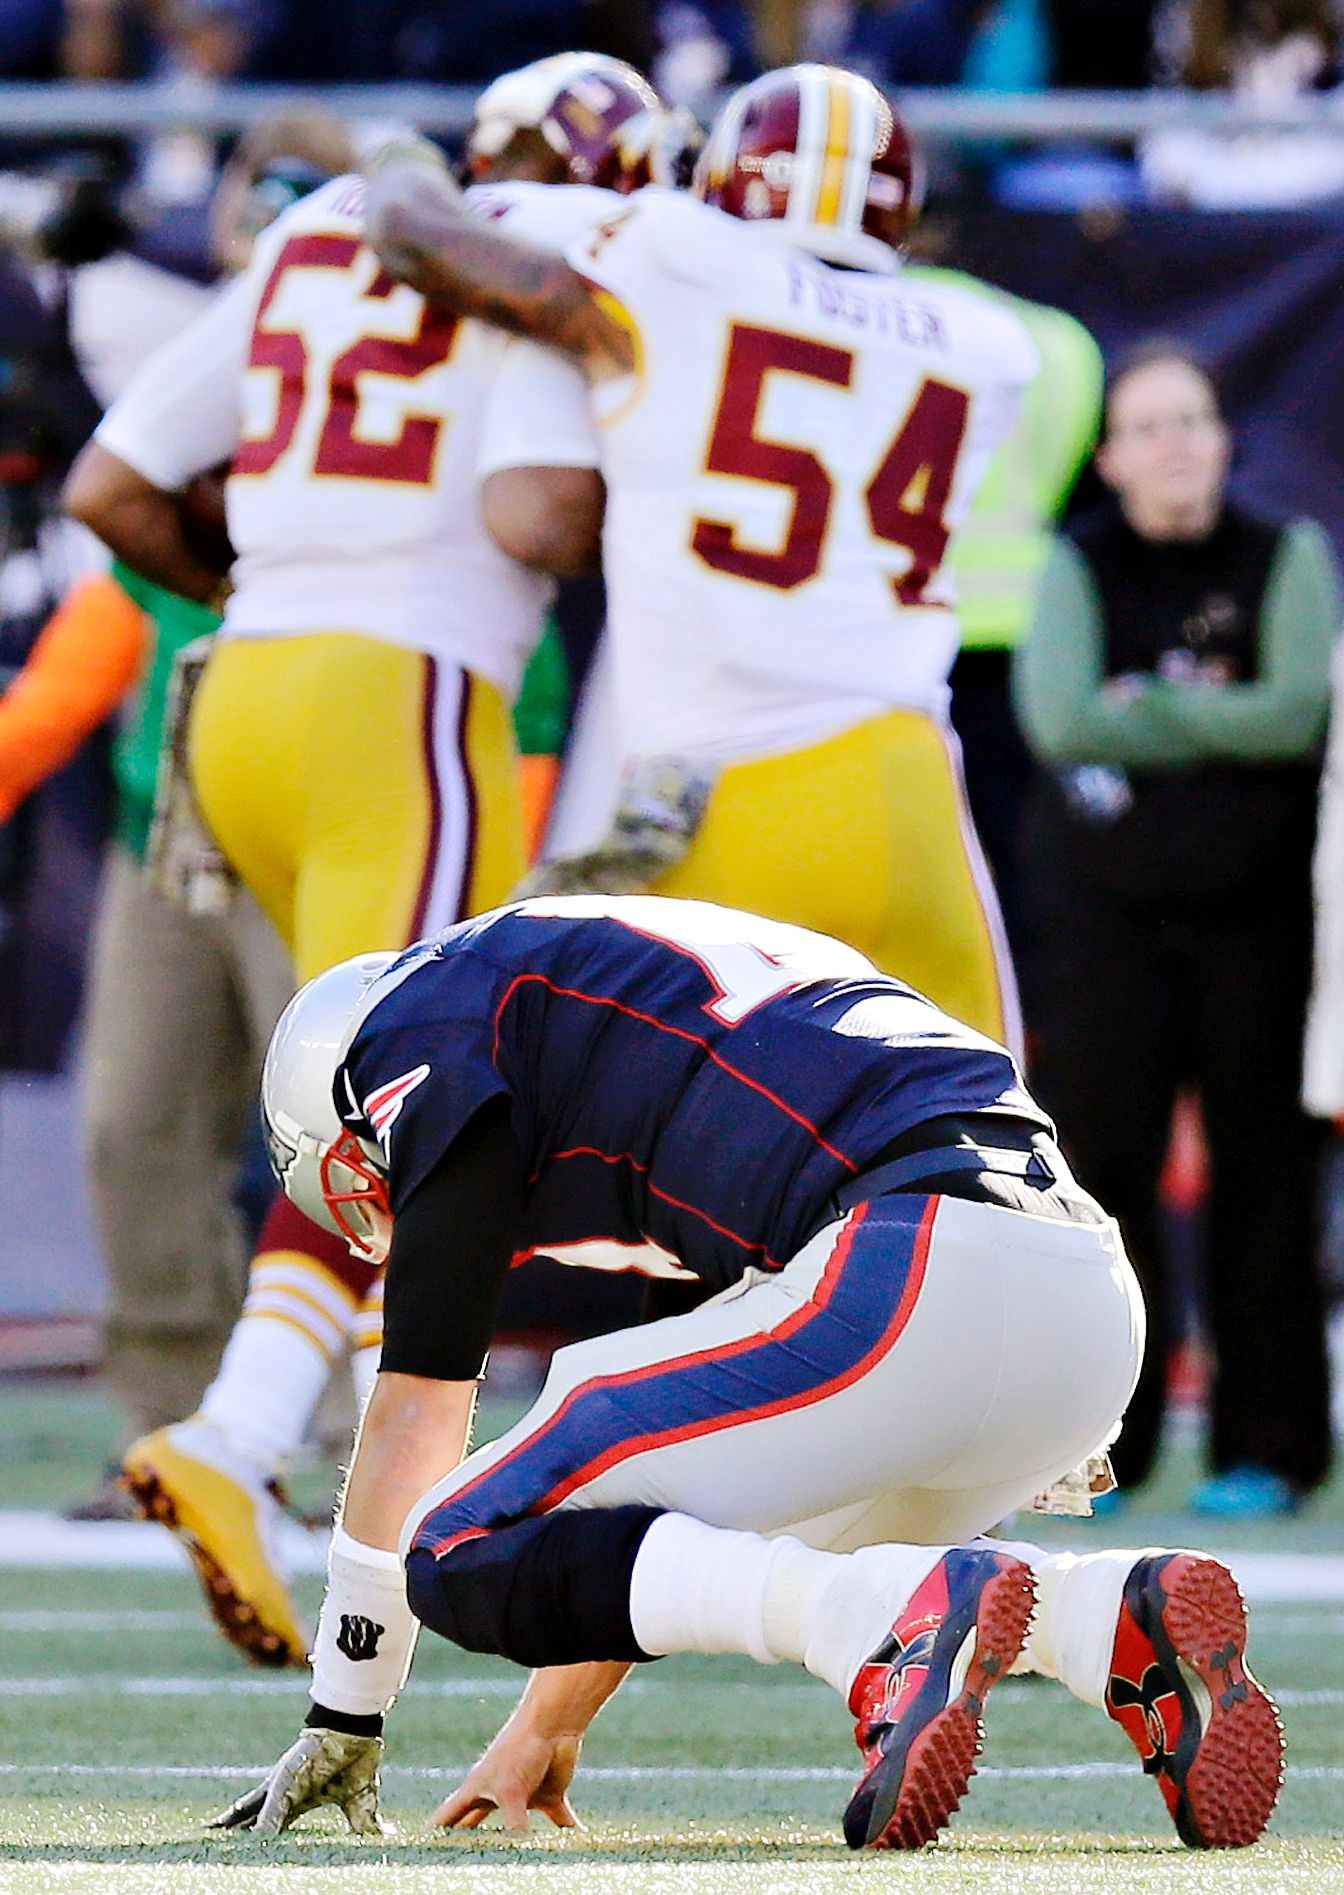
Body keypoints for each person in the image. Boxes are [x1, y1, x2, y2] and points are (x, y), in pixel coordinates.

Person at [211, 893, 1281, 1853]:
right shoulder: (620, 1027)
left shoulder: (426, 1024)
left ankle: (873, 1620)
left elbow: (417, 1411)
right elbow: (658, 1503)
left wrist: (346, 1710)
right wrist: (547, 1722)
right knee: (736, 1529)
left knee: (446, 1539)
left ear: (352, 1104)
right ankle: (1105, 1622)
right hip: (1085, 1304)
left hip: (909, 1268)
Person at [64, 53, 651, 1664]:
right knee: (421, 1106)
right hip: (402, 701)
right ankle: (249, 1445)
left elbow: (109, 483)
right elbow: (535, 515)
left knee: (389, 1108)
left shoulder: (319, 223)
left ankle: (311, 1463)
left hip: (245, 696)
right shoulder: (539, 256)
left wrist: (274, 575)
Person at [369, 65, 1034, 1049]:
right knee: (984, 1164)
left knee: (654, 1172)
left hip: (707, 800)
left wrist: (394, 159)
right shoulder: (984, 341)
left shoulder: (670, 256)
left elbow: (425, 243)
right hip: (902, 792)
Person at [1013, 340, 1338, 1513]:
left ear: (1223, 436)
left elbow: (1299, 709)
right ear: (1111, 456)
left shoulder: (1283, 553)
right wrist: (1219, 715)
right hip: (1107, 925)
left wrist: (1146, 707)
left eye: (1193, 420)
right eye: (1148, 426)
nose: (1175, 444)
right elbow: (1059, 720)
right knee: (1101, 1188)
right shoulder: (1079, 561)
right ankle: (1105, 1445)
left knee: (1266, 1183)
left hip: (1258, 926)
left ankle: (1271, 1447)